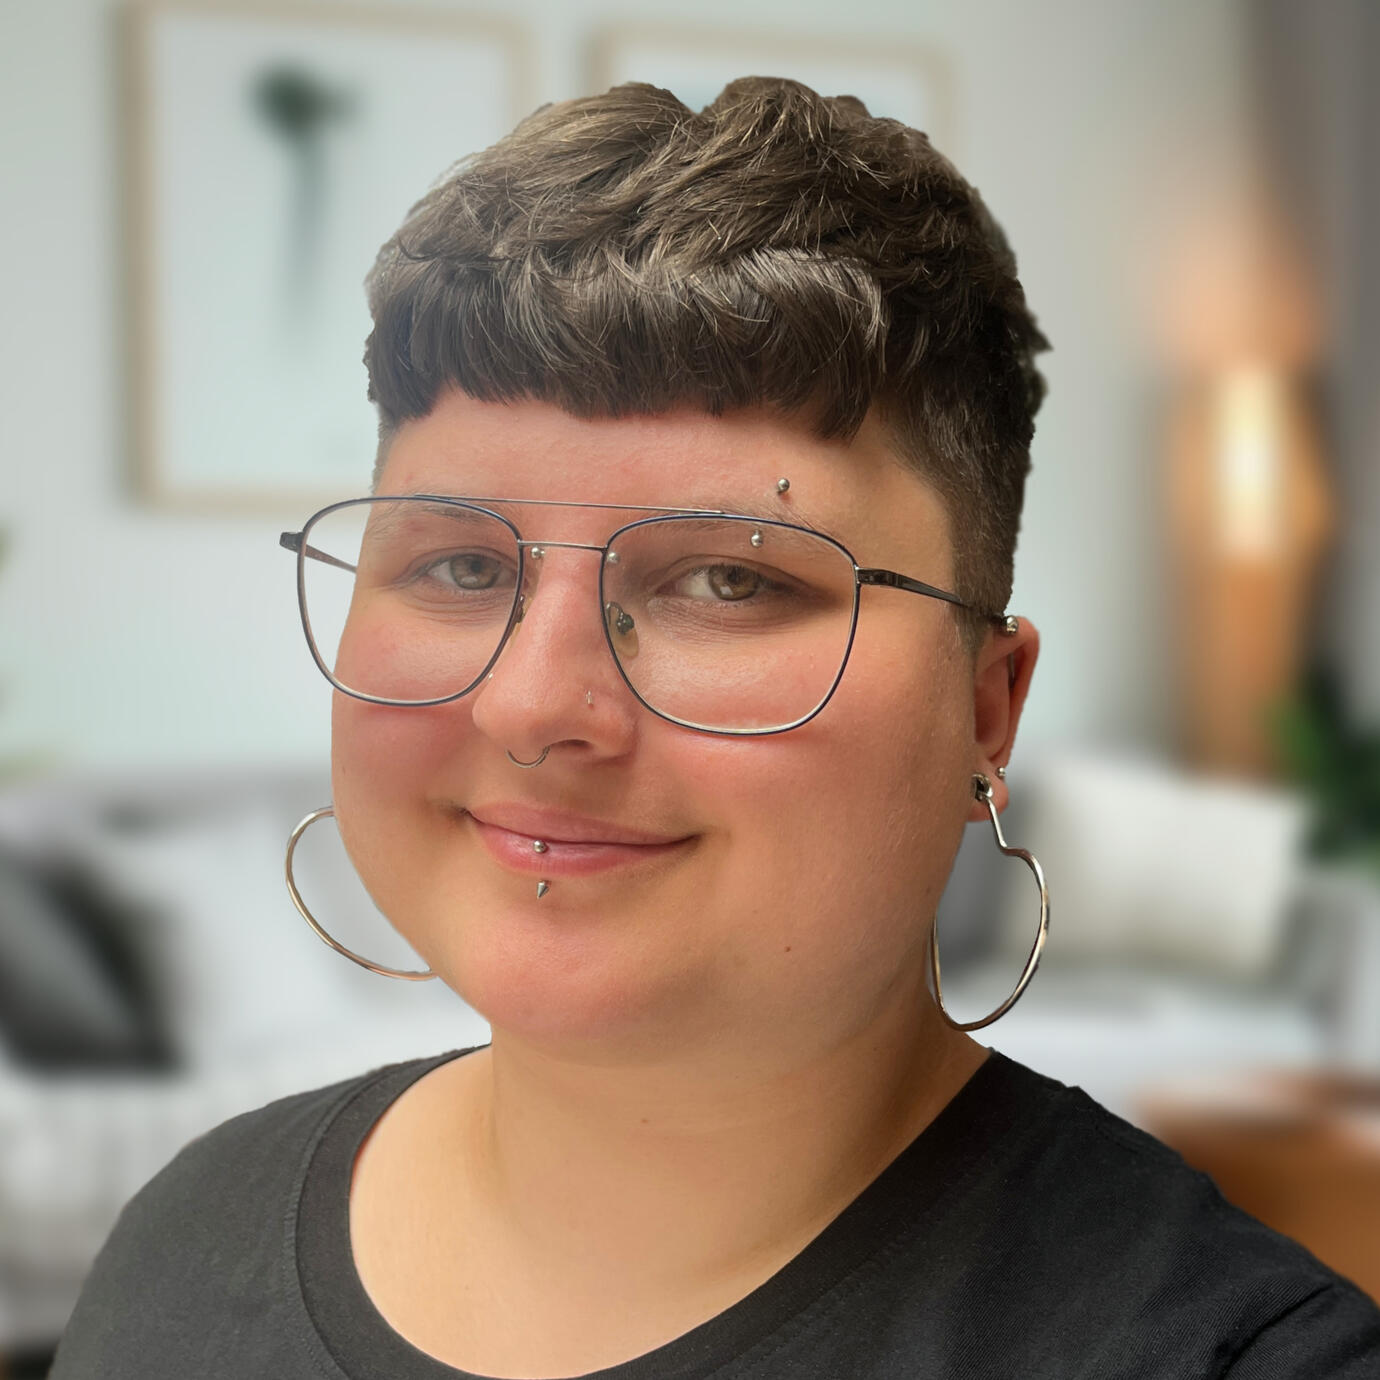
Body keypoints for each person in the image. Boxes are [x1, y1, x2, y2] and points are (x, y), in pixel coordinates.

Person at [52, 78, 1380, 1379]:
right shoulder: (183, 1245)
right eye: (459, 566)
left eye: (730, 582)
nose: (532, 706)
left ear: (988, 706)